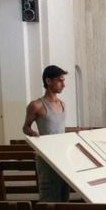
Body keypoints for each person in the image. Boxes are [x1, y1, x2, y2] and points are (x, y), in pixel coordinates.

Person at [22, 65, 70, 202]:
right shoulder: (36, 105)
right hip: (46, 156)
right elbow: (25, 127)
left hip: (62, 155)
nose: (63, 85)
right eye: (60, 81)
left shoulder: (63, 104)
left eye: (64, 81)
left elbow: (60, 129)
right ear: (48, 81)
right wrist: (32, 133)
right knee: (49, 194)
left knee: (63, 194)